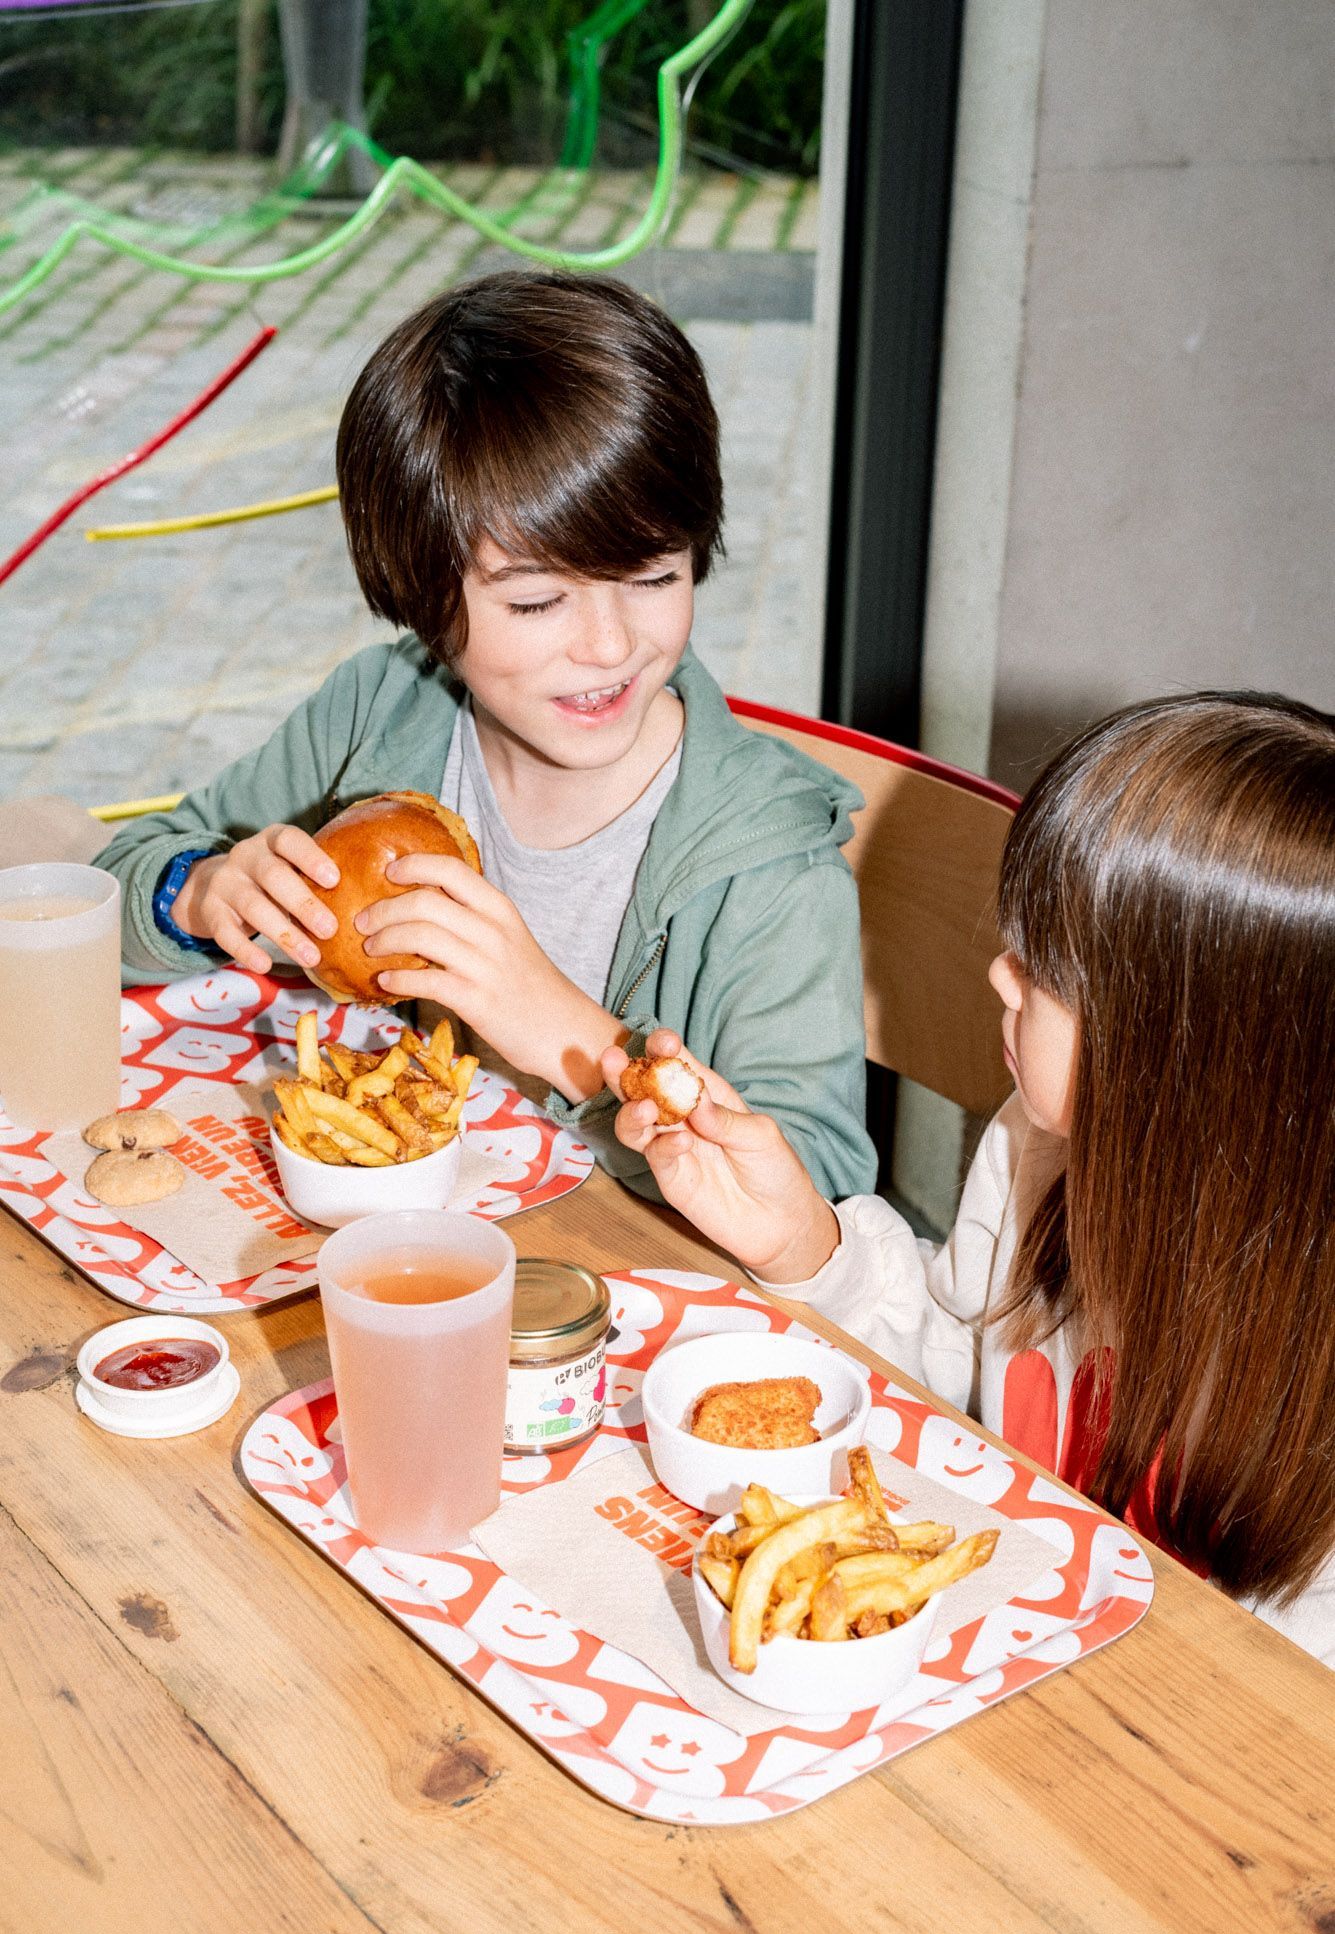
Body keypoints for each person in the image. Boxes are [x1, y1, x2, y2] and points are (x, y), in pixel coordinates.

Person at [95, 271, 876, 1201]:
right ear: (425, 602)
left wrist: (574, 1043)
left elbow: (820, 1194)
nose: (609, 644)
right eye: (538, 600)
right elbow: (106, 894)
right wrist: (199, 891)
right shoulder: (377, 715)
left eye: (655, 579)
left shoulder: (768, 861)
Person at [604, 691, 1335, 1664]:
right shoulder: (1039, 1145)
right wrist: (802, 1245)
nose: (1000, 973)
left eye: (1051, 968)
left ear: (1195, 1062)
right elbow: (954, 1365)